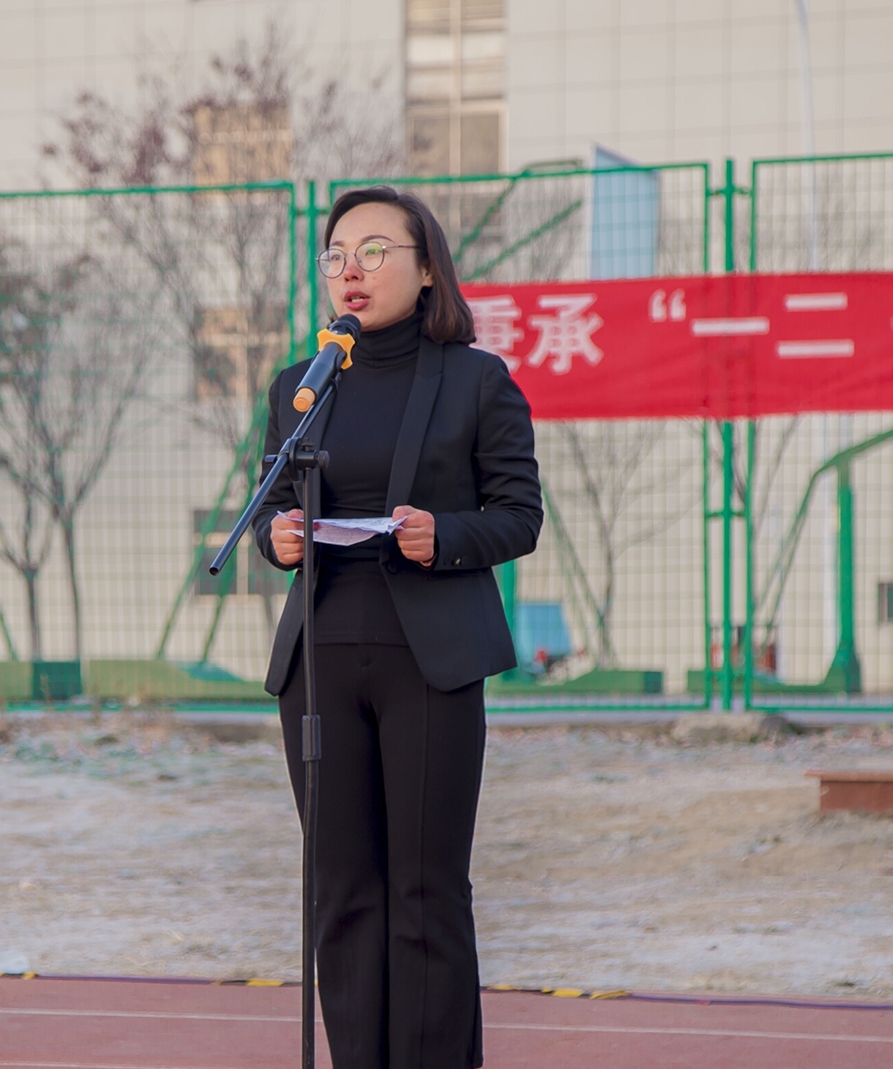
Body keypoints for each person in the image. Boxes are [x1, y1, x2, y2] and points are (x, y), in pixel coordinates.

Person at [255, 187, 542, 1069]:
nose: (352, 269)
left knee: (424, 889)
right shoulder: (302, 386)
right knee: (341, 891)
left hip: (431, 660)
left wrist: (442, 534)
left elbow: (519, 515)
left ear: (425, 272)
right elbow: (267, 503)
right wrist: (277, 535)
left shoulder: (477, 380)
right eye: (338, 254)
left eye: (376, 251)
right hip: (320, 659)